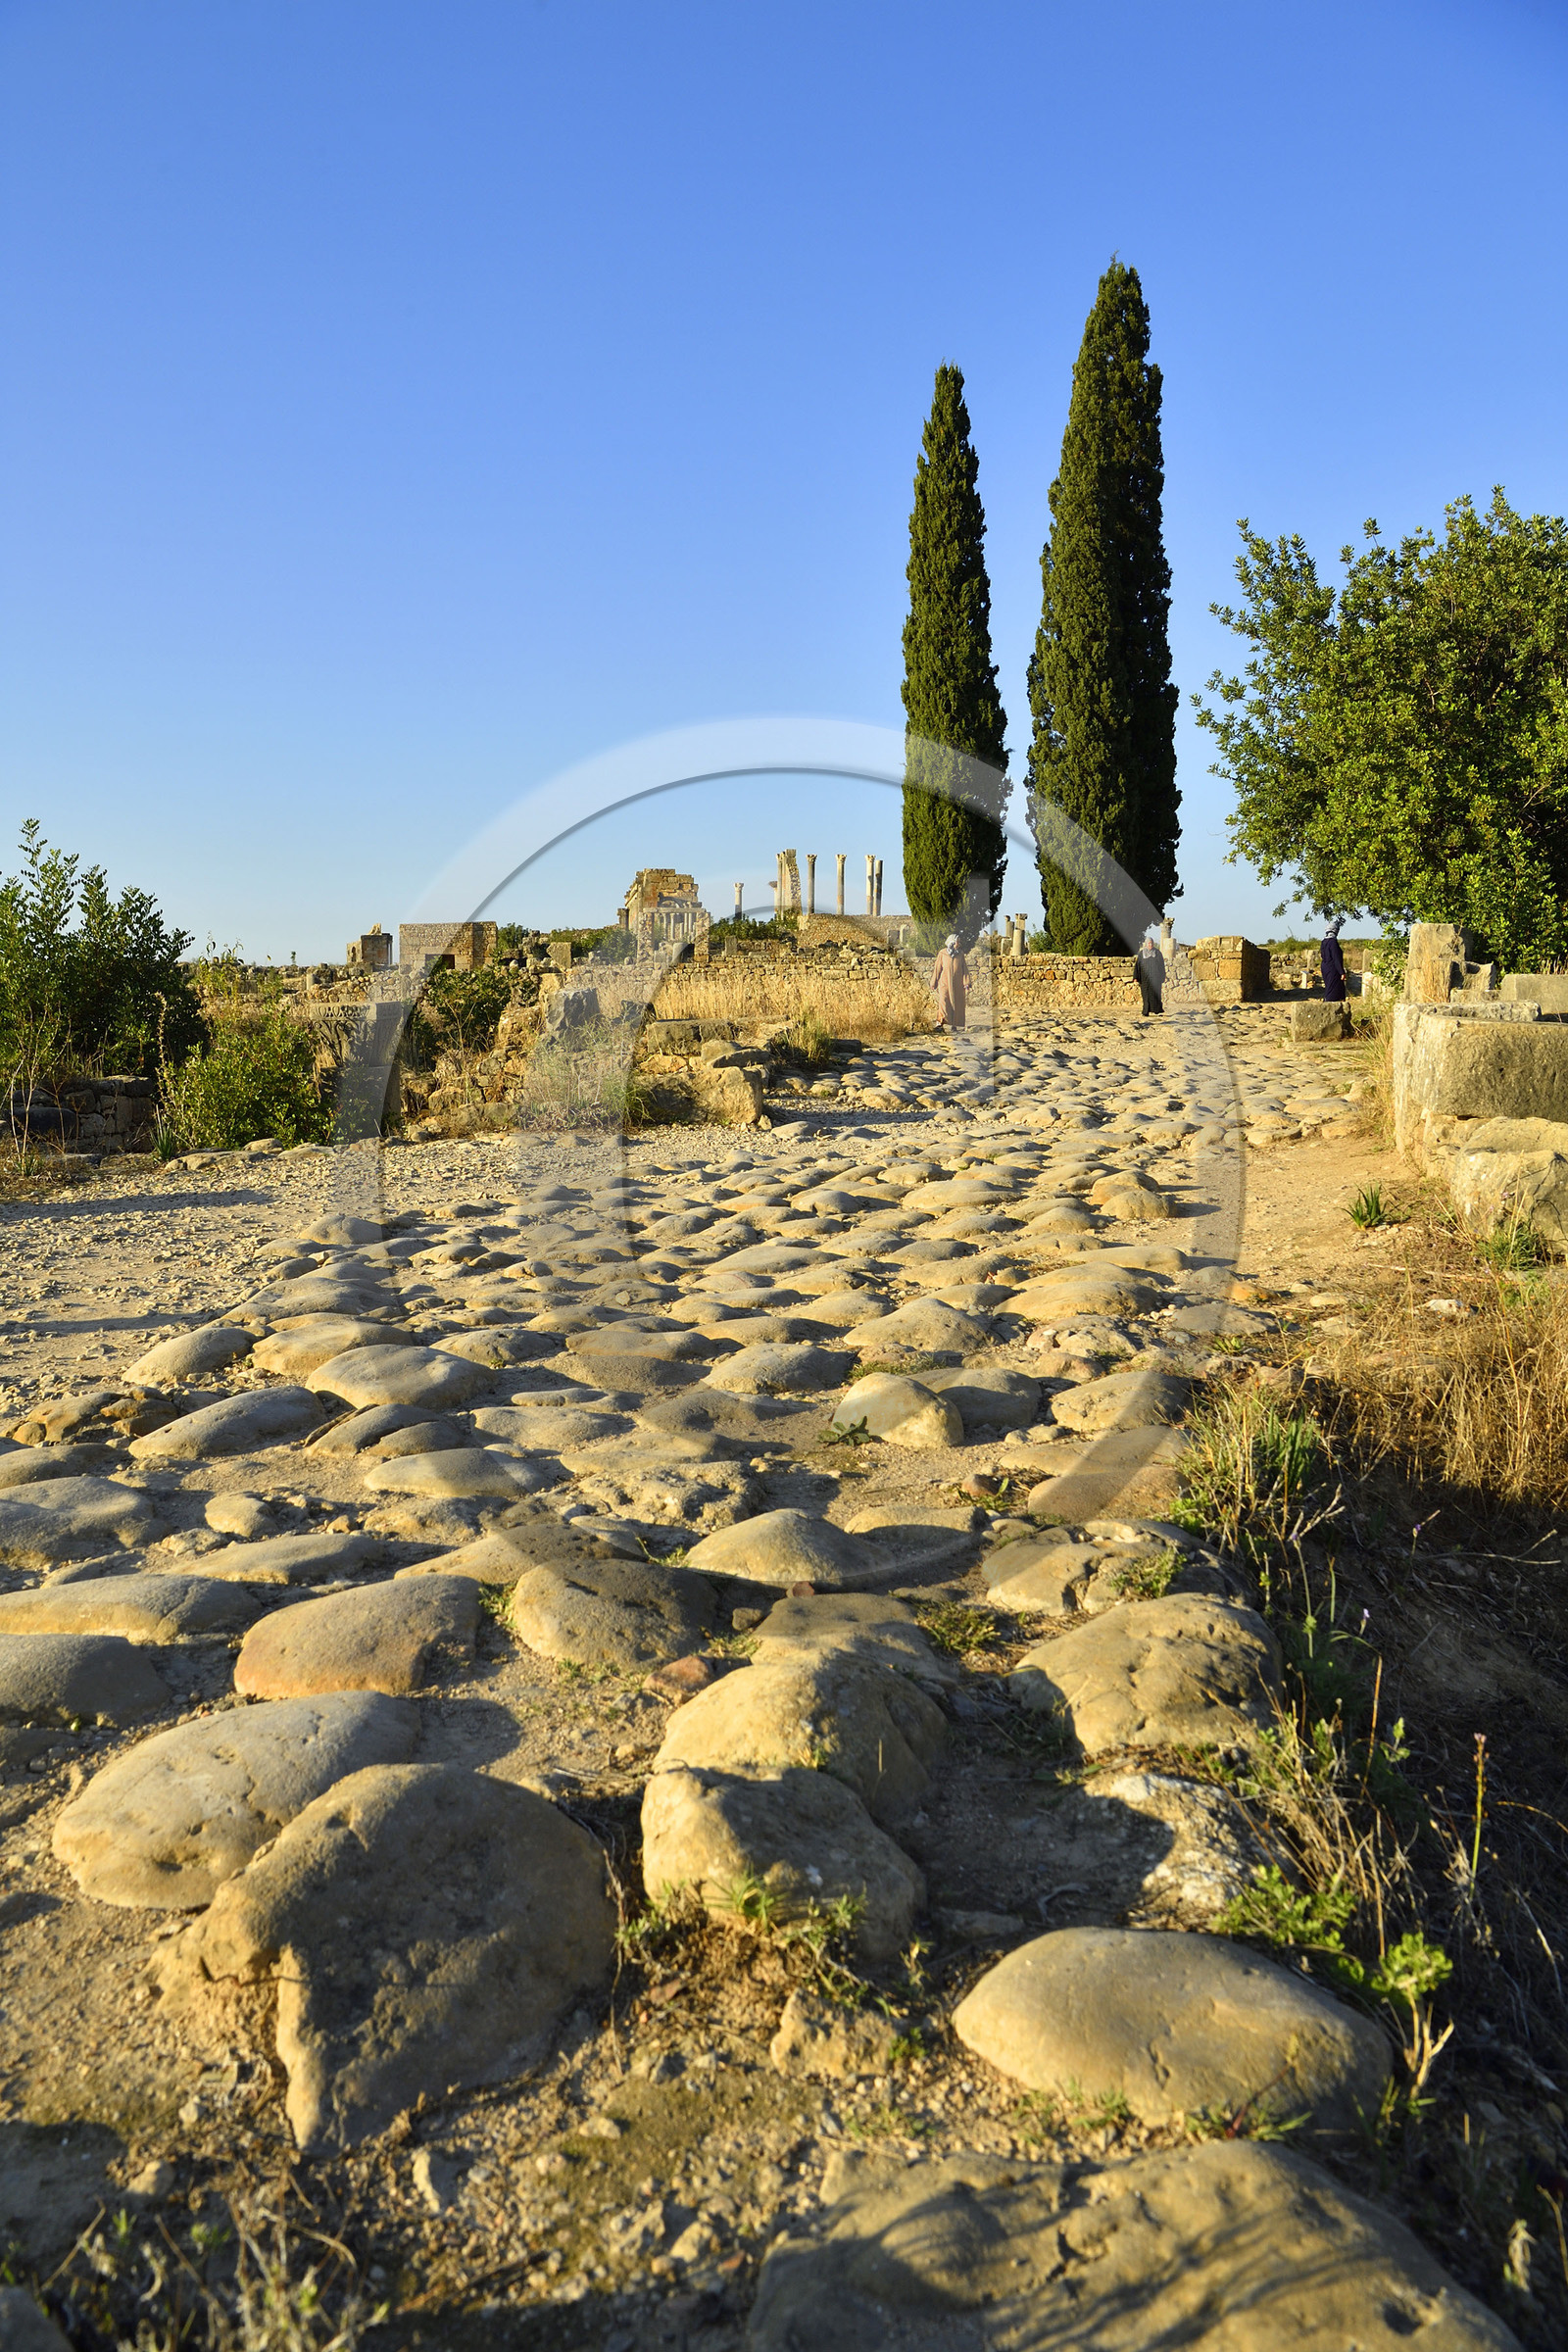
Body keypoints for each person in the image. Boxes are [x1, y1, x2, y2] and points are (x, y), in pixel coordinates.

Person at [931, 933, 968, 1029]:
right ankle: (940, 1022)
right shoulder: (942, 953)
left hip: (957, 984)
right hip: (945, 983)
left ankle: (954, 1024)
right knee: (944, 1001)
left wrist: (966, 982)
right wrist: (934, 982)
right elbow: (937, 968)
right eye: (957, 942)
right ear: (952, 942)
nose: (959, 943)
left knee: (956, 1004)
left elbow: (964, 969)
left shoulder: (960, 954)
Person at [1135, 928, 1165, 1016]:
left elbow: (1161, 966)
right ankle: (1146, 1011)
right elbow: (1137, 966)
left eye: (1151, 943)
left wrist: (1162, 977)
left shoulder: (1158, 953)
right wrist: (1136, 977)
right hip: (1145, 979)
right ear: (1146, 944)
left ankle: (1157, 1010)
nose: (1150, 944)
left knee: (1156, 994)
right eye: (1148, 943)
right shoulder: (1141, 954)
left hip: (1156, 978)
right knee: (1146, 995)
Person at [1321, 916, 1347, 1003]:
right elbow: (1336, 958)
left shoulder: (1324, 942)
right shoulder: (1332, 942)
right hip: (1333, 968)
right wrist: (1341, 972)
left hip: (1325, 967)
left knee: (1330, 987)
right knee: (1333, 989)